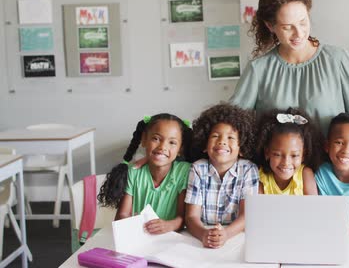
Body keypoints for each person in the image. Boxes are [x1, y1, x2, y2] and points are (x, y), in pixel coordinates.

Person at [229, 0, 349, 172]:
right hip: (277, 179)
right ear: (271, 26)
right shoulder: (258, 69)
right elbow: (231, 127)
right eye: (288, 27)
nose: (298, 33)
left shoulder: (336, 59)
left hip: (330, 175)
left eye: (303, 22)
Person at [98, 113, 193, 234]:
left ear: (181, 148)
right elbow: (122, 215)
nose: (162, 147)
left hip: (170, 240)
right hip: (136, 238)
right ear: (144, 140)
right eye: (156, 139)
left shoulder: (184, 172)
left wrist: (168, 225)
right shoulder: (134, 172)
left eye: (172, 142)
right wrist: (132, 223)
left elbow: (182, 218)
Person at [184, 103, 259, 248]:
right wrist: (203, 234)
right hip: (201, 234)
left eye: (230, 137)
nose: (222, 141)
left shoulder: (249, 170)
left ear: (241, 147)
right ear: (205, 145)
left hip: (236, 236)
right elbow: (191, 216)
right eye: (215, 136)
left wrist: (226, 234)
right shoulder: (198, 169)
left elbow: (246, 216)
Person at [255, 107, 323, 195]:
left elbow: (313, 206)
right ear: (267, 152)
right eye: (278, 155)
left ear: (303, 155)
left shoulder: (305, 175)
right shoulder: (260, 176)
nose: (286, 162)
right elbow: (258, 207)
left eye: (294, 155)